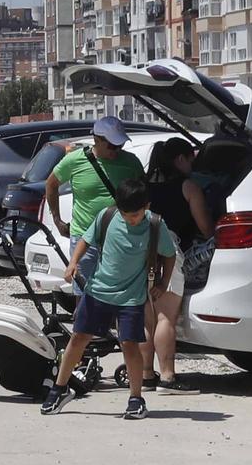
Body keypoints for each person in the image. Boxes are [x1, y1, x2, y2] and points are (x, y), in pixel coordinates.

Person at [43, 177, 176, 420]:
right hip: (97, 291)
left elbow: (169, 255)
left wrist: (163, 283)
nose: (130, 219)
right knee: (78, 338)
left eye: (135, 215)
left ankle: (136, 399)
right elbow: (85, 240)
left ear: (146, 206)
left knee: (129, 345)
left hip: (131, 298)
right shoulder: (107, 215)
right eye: (125, 214)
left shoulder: (156, 225)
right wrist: (73, 263)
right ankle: (60, 388)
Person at [144, 137, 218, 390]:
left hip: (138, 251)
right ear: (180, 159)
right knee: (166, 316)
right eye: (191, 159)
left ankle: (146, 375)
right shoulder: (188, 187)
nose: (193, 165)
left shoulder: (142, 187)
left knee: (147, 317)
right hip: (168, 250)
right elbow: (206, 228)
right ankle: (167, 377)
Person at [44, 116, 143, 255]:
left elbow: (144, 194)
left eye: (120, 145)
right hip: (84, 238)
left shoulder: (131, 162)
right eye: (112, 146)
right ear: (97, 140)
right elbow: (51, 184)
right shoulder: (74, 160)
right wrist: (57, 219)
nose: (116, 150)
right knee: (83, 277)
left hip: (121, 237)